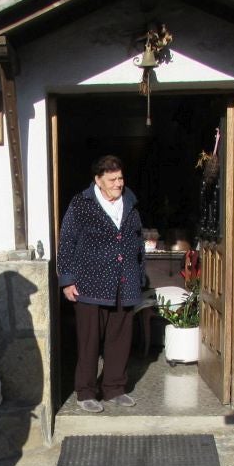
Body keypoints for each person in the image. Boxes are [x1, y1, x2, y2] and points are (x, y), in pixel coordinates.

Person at [57, 154, 146, 412]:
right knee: (89, 341)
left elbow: (138, 242)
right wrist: (67, 280)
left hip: (124, 282)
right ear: (98, 180)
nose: (118, 184)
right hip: (89, 283)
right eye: (112, 179)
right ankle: (85, 392)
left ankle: (114, 389)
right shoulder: (81, 204)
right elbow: (67, 242)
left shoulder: (130, 203)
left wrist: (139, 276)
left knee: (120, 340)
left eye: (120, 178)